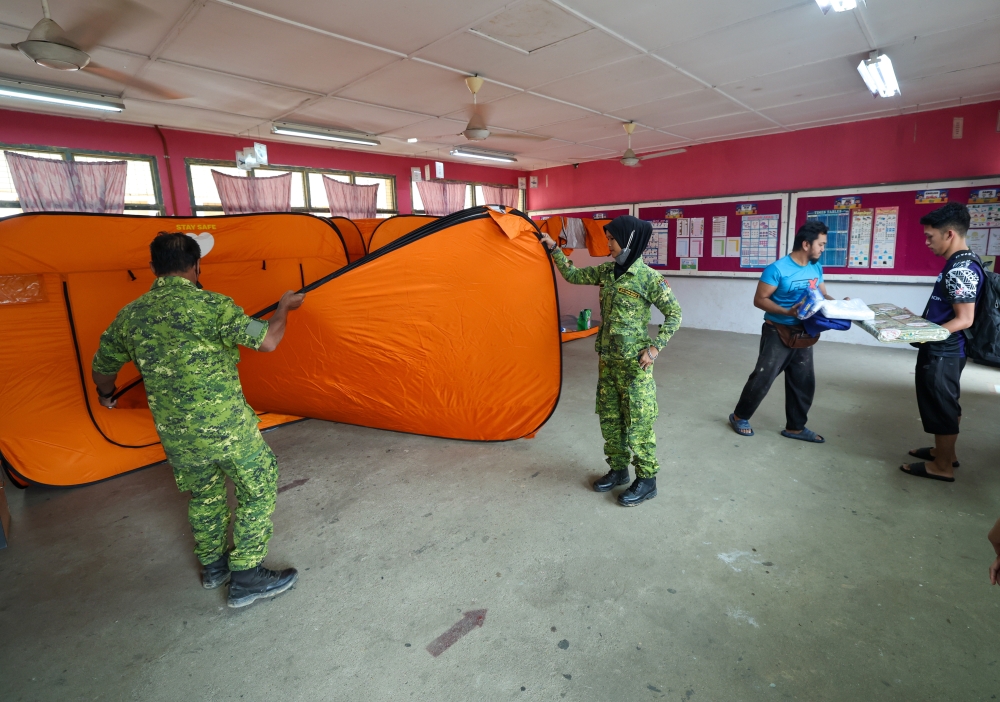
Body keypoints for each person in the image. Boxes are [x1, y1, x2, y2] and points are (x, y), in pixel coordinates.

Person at [92, 233, 305, 608]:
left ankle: (213, 567)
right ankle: (247, 575)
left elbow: (102, 370)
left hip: (177, 437)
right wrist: (284, 307)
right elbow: (269, 340)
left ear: (153, 268)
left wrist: (105, 395)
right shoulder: (214, 307)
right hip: (227, 429)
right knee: (260, 484)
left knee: (205, 495)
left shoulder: (131, 316)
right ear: (195, 266)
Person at [539, 216, 682, 507]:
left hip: (634, 366)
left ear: (628, 241)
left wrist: (655, 348)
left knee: (639, 422)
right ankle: (619, 470)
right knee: (610, 418)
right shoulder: (608, 271)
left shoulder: (649, 278)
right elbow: (574, 275)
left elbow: (675, 314)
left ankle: (647, 479)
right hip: (608, 361)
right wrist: (555, 249)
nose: (608, 245)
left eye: (612, 240)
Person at [729, 220, 835, 442]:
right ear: (806, 244)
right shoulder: (777, 269)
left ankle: (796, 427)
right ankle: (740, 416)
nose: (823, 249)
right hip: (777, 331)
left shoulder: (816, 267)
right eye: (821, 244)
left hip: (804, 331)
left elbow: (823, 294)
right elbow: (760, 300)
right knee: (763, 377)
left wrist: (841, 305)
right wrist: (788, 312)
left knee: (803, 381)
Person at [900, 202, 983, 483]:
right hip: (945, 348)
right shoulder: (960, 263)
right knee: (945, 402)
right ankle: (944, 452)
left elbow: (964, 319)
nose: (926, 242)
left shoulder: (961, 269)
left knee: (942, 405)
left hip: (945, 351)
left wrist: (924, 334)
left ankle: (942, 466)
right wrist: (919, 321)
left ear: (949, 234)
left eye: (929, 236)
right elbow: (947, 310)